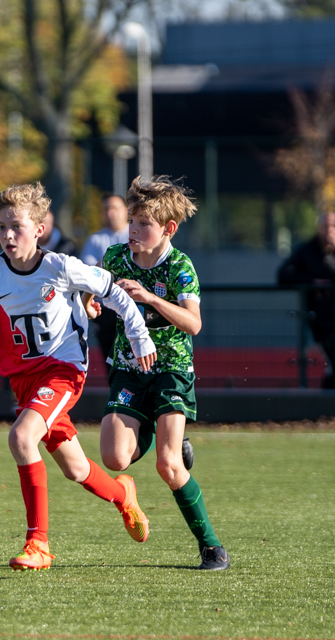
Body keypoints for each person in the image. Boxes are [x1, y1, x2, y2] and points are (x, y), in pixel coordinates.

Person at [0, 182, 157, 571]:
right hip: (24, 381)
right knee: (75, 469)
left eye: (17, 226)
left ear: (39, 228)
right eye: (1, 227)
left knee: (22, 438)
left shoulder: (60, 266)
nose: (8, 234)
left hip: (63, 371)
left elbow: (115, 293)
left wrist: (139, 336)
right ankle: (123, 495)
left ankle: (37, 544)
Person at [87, 175, 230, 571]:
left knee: (168, 465)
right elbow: (90, 288)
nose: (134, 230)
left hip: (171, 371)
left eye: (143, 223)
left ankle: (211, 546)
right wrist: (89, 304)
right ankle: (156, 434)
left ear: (168, 228)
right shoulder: (115, 258)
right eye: (131, 221)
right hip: (129, 371)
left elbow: (194, 324)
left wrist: (150, 298)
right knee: (114, 459)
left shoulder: (181, 266)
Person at [278, 212, 335, 389]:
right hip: (320, 319)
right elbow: (283, 275)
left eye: (333, 227)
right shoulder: (307, 251)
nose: (329, 231)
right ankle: (330, 402)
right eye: (325, 227)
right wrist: (312, 282)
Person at [80, 194, 131, 372]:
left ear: (126, 211)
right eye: (107, 209)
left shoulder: (135, 234)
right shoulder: (95, 239)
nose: (111, 213)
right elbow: (90, 272)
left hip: (133, 306)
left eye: (115, 208)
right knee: (111, 362)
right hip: (106, 310)